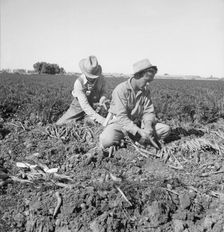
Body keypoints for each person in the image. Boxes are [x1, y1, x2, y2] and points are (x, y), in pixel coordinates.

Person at [99, 58, 170, 149]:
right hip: (120, 124)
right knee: (106, 140)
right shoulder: (121, 90)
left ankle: (139, 141)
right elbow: (122, 117)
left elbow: (148, 111)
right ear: (137, 76)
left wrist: (148, 125)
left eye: (150, 81)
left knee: (165, 130)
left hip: (137, 124)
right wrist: (139, 131)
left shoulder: (145, 91)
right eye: (146, 80)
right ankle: (135, 139)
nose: (148, 84)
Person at [56, 56, 108, 125]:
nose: (92, 78)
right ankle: (83, 119)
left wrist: (102, 98)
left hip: (94, 106)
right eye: (90, 75)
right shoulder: (79, 83)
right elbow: (85, 105)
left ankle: (86, 119)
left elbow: (104, 91)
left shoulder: (101, 78)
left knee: (93, 123)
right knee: (60, 124)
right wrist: (102, 120)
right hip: (78, 107)